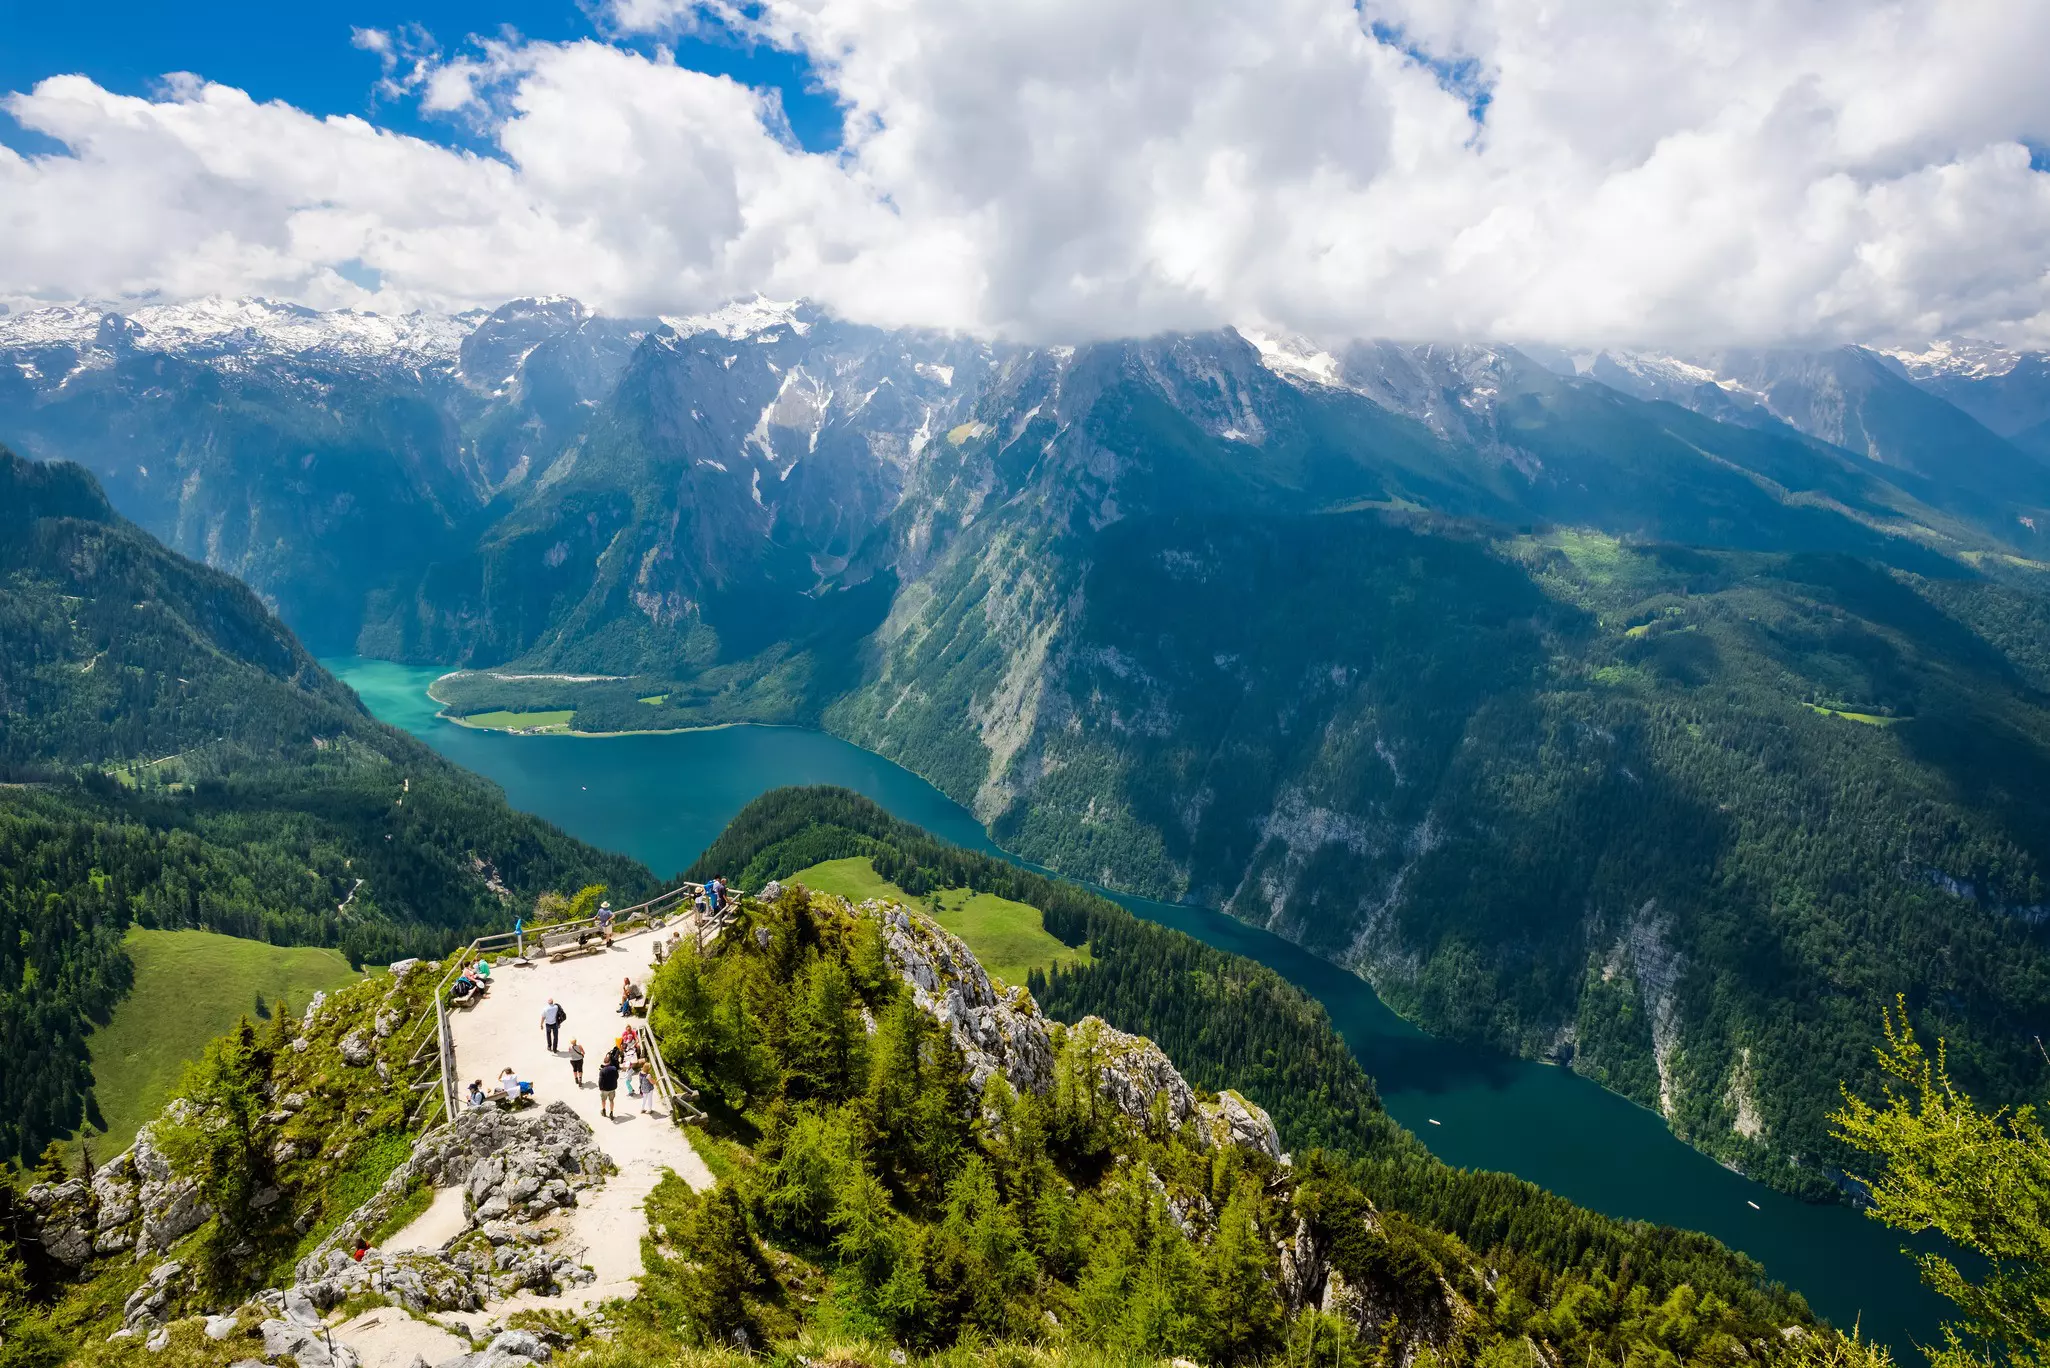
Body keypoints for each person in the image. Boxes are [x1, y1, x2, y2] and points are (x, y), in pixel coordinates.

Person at [597, 1052, 620, 1118]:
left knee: (603, 1100)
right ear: (609, 1062)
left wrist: (600, 1088)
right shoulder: (614, 1068)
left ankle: (604, 1111)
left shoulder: (602, 1071)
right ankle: (611, 1113)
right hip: (612, 1088)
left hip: (604, 1089)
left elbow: (600, 1081)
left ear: (604, 1062)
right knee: (611, 1101)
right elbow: (617, 1076)